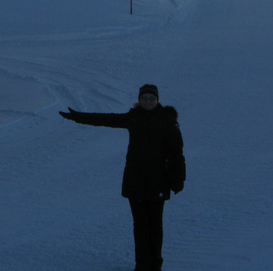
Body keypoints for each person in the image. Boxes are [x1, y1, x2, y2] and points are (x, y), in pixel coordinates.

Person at [60, 84, 185, 271]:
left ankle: (155, 265)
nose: (148, 101)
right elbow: (106, 119)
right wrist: (78, 117)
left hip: (158, 181)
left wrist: (178, 179)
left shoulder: (167, 121)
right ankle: (142, 265)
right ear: (139, 100)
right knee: (140, 226)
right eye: (145, 98)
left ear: (157, 100)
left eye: (152, 98)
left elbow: (177, 152)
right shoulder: (133, 118)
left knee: (155, 226)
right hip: (135, 181)